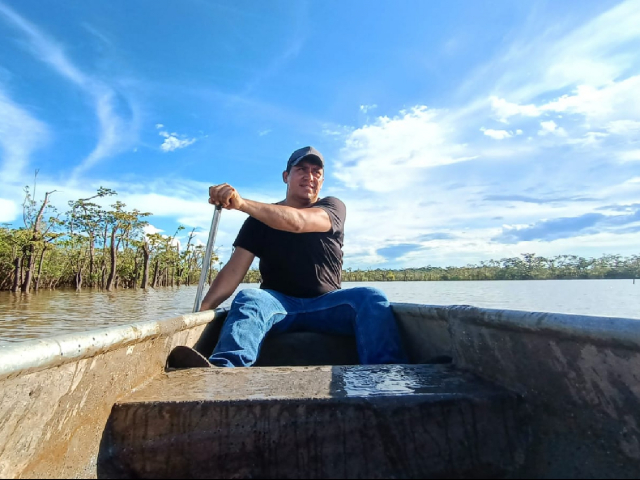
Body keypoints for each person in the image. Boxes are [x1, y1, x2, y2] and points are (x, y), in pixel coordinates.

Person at [199, 146, 408, 367]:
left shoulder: (332, 207)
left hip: (328, 304)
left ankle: (387, 375)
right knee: (249, 299)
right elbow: (234, 271)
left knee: (371, 297)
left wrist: (241, 204)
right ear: (286, 176)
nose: (310, 176)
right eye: (301, 169)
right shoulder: (258, 219)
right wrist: (203, 311)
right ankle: (223, 372)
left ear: (322, 180)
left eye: (316, 172)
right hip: (276, 304)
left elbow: (298, 222)